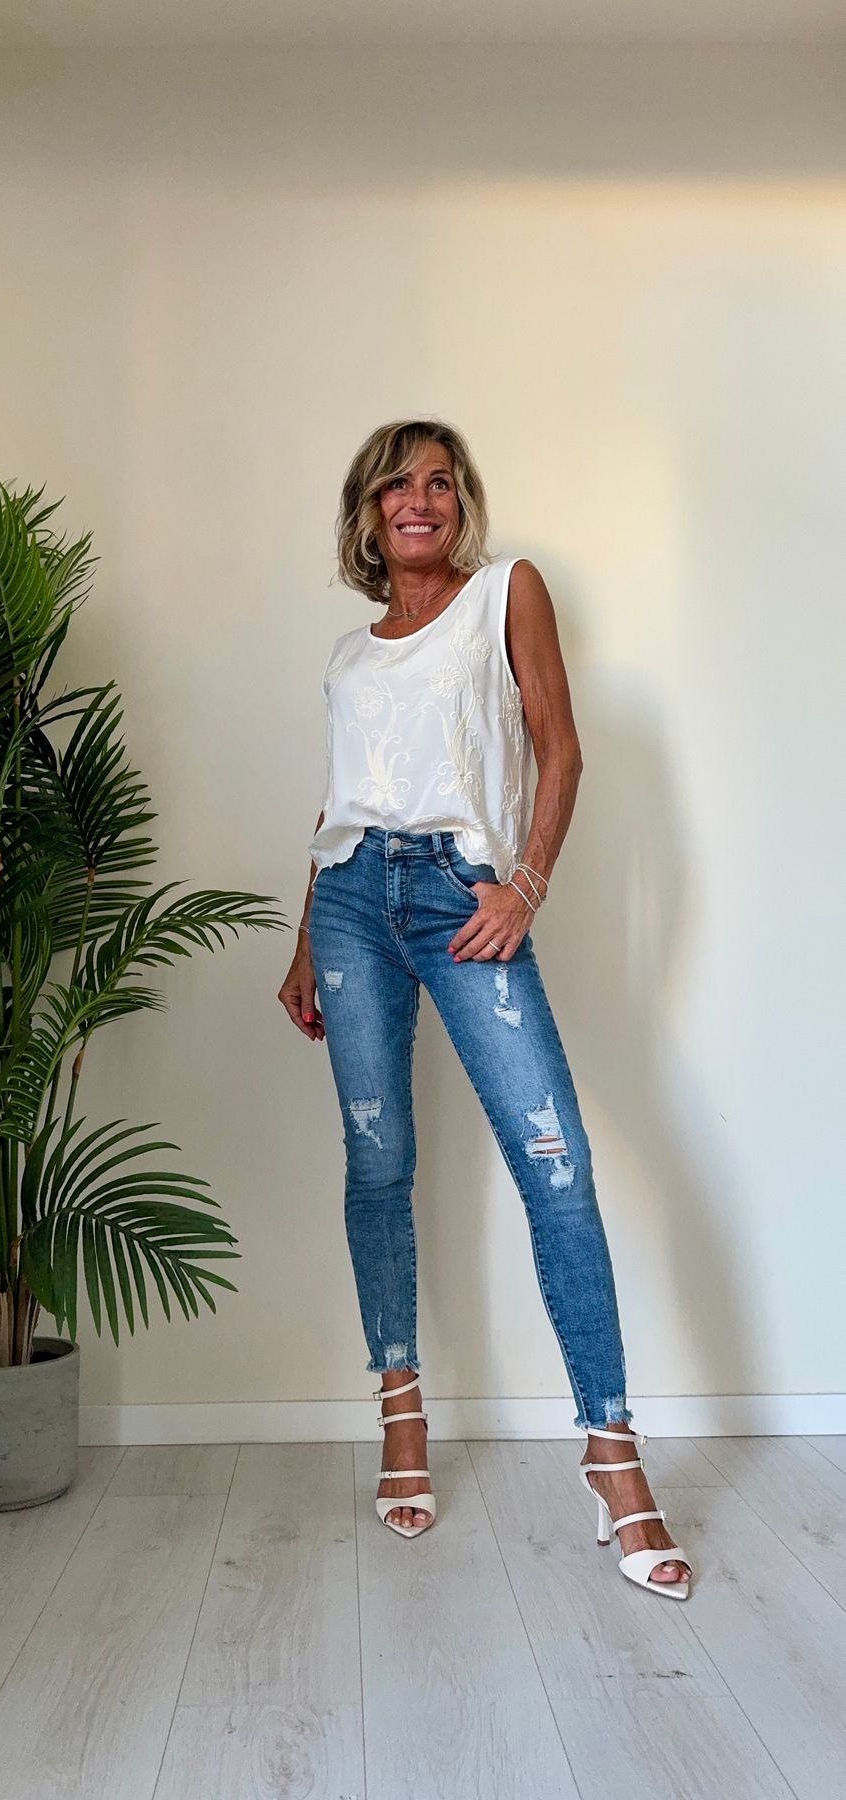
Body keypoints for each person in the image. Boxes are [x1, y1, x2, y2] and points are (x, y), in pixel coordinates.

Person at [277, 418, 692, 1597]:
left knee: (554, 1165)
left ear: (460, 504)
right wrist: (303, 939)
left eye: (439, 483)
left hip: (460, 895)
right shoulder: (349, 656)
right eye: (395, 486)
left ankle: (611, 1455)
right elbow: (337, 803)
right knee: (377, 1165)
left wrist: (525, 886)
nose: (419, 500)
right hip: (349, 904)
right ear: (366, 514)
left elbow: (560, 751)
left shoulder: (507, 591)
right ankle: (400, 1415)